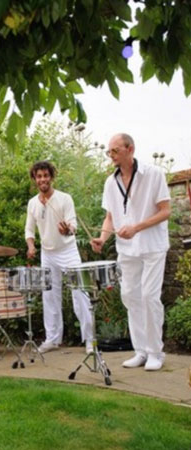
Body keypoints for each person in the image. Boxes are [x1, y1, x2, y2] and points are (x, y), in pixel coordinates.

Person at [91, 133, 171, 371]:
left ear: (130, 149)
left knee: (149, 296)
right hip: (126, 249)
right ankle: (141, 351)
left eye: (115, 151)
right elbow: (110, 217)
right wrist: (103, 238)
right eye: (109, 151)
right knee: (129, 296)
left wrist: (136, 227)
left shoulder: (154, 174)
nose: (111, 156)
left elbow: (165, 211)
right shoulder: (109, 182)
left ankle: (156, 352)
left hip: (153, 246)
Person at [25, 161, 93, 354]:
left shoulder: (64, 199)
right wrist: (31, 246)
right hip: (47, 253)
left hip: (68, 251)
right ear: (35, 179)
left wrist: (67, 229)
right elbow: (29, 229)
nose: (42, 179)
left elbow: (72, 225)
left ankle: (89, 340)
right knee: (49, 296)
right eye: (39, 176)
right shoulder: (32, 203)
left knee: (80, 293)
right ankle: (52, 339)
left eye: (46, 175)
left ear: (51, 177)